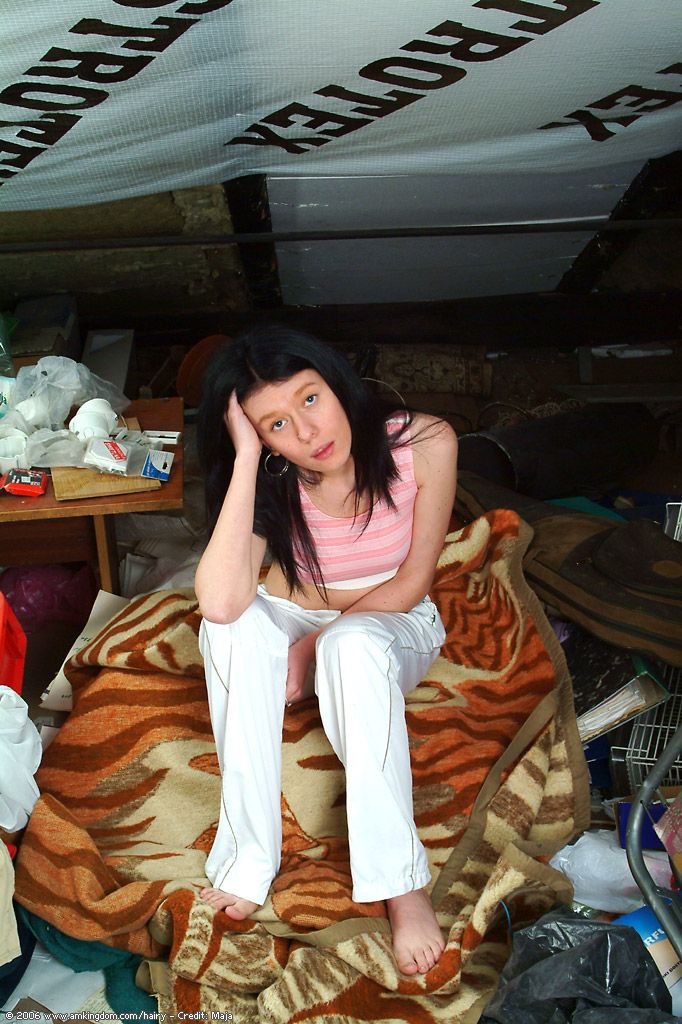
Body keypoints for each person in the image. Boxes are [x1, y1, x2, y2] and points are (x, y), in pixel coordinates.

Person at [194, 325, 457, 976]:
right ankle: (250, 858)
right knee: (230, 630)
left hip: (392, 619)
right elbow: (221, 604)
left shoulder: (424, 443)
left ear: (335, 382)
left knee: (351, 646)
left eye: (309, 398)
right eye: (277, 424)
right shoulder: (271, 473)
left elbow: (413, 580)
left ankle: (402, 885)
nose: (308, 433)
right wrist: (247, 460)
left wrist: (315, 647)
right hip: (295, 610)